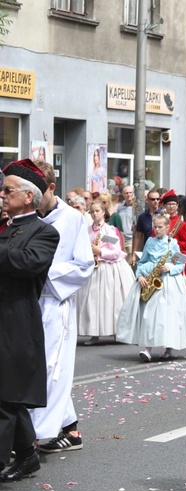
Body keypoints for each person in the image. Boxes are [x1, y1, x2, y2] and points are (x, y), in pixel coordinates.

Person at [29, 160, 95, 454]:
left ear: (51, 187)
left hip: (55, 301)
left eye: (37, 191)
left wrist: (42, 273)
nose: (31, 197)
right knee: (34, 368)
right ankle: (71, 429)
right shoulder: (25, 215)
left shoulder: (72, 219)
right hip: (26, 301)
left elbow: (84, 265)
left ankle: (30, 436)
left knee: (49, 369)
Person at [0, 159, 60, 482]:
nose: (2, 195)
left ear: (27, 196)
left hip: (17, 324)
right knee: (9, 396)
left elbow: (27, 263)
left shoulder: (45, 232)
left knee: (4, 399)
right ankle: (26, 455)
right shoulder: (4, 226)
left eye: (7, 190)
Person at [116, 213, 186, 362]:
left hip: (168, 282)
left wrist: (170, 267)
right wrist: (140, 276)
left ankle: (169, 347)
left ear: (167, 227)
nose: (156, 229)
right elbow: (143, 261)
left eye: (160, 227)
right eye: (155, 226)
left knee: (168, 316)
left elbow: (180, 264)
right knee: (149, 316)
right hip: (151, 279)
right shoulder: (150, 241)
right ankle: (147, 349)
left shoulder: (172, 243)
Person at [77, 200, 135, 345]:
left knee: (112, 302)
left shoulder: (109, 230)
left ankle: (117, 332)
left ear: (103, 212)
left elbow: (116, 251)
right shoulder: (87, 230)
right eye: (92, 211)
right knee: (93, 301)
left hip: (109, 268)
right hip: (94, 268)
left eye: (97, 211)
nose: (94, 214)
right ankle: (94, 333)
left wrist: (100, 251)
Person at [156, 191, 186, 280]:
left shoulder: (182, 223)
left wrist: (173, 242)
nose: (171, 206)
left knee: (182, 281)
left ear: (177, 206)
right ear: (164, 206)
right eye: (169, 204)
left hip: (178, 255)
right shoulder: (159, 220)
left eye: (174, 204)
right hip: (161, 256)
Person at [131, 188, 162, 266]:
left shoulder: (164, 214)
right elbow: (138, 236)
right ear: (147, 200)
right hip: (148, 250)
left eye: (158, 199)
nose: (156, 201)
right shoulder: (142, 217)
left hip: (162, 250)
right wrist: (134, 255)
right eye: (153, 199)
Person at [115, 185, 134, 255]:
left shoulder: (136, 206)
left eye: (130, 192)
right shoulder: (119, 206)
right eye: (126, 193)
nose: (129, 195)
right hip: (121, 238)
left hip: (131, 239)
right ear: (123, 195)